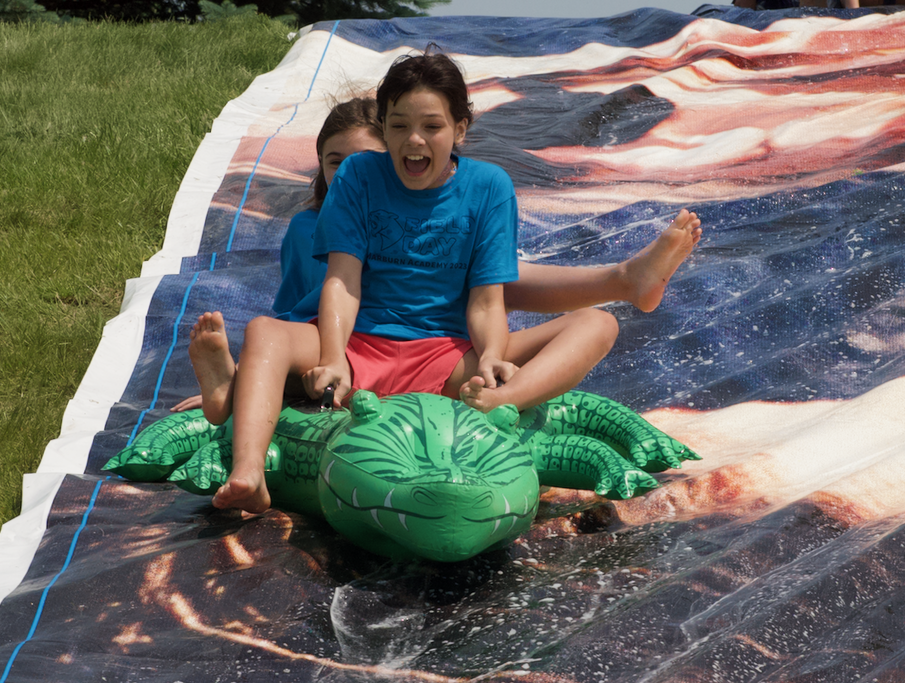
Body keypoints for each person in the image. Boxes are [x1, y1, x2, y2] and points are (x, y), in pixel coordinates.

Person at [187, 53, 702, 514]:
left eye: (431, 126)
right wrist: (333, 357)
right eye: (399, 126)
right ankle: (249, 473)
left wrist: (493, 357)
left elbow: (487, 300)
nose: (414, 139)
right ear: (384, 129)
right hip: (363, 346)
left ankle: (502, 400)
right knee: (265, 331)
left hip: (447, 357)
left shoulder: (488, 187)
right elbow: (342, 282)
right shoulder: (358, 177)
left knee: (598, 324)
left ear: (460, 129)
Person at [176, 97, 702, 416]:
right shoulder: (310, 229)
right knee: (491, 277)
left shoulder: (432, 200)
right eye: (335, 163)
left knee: (494, 277)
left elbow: (483, 299)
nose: (349, 174)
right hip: (352, 352)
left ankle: (625, 280)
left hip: (442, 350)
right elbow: (293, 315)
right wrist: (257, 376)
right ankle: (623, 278)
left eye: (364, 161)